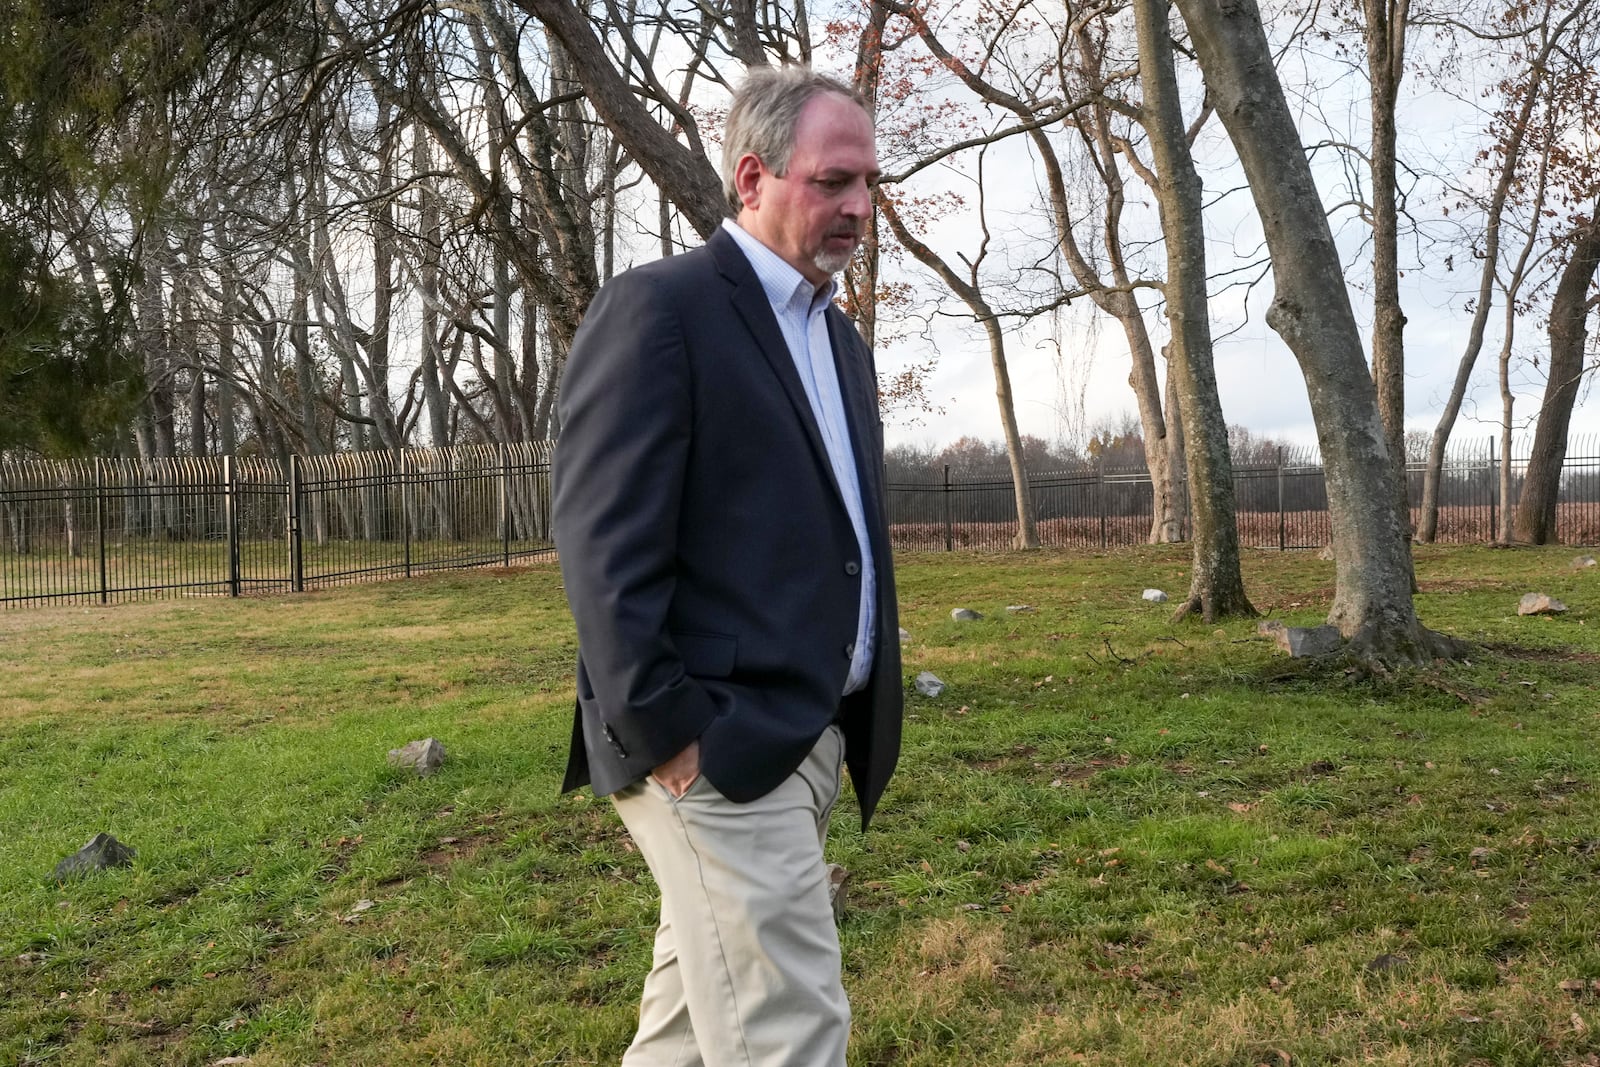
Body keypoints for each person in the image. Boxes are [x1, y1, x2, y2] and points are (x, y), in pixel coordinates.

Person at [551, 64, 903, 1067]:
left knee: (689, 1037)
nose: (857, 207)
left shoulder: (838, 343)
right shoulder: (662, 310)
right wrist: (669, 731)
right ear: (752, 177)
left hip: (809, 737)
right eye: (832, 181)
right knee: (789, 1030)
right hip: (716, 749)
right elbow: (600, 536)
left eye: (870, 184)